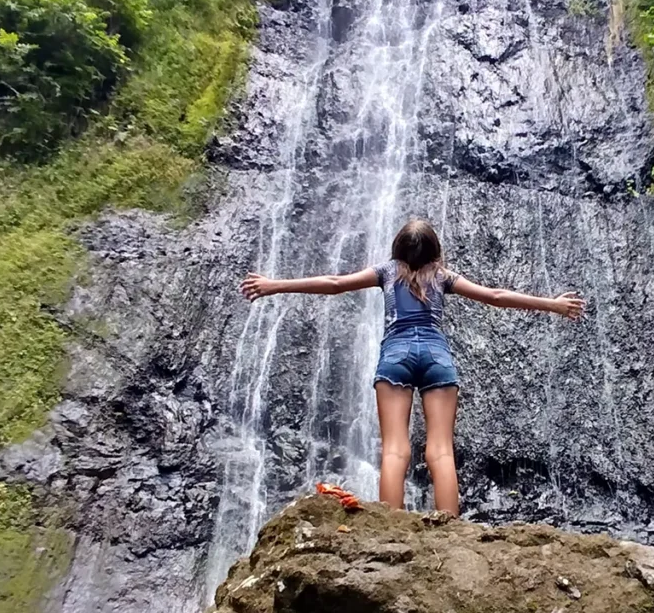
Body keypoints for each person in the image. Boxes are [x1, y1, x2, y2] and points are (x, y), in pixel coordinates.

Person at [239, 219, 585, 516]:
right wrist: (553, 305)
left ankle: (390, 526)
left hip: (396, 356)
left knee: (394, 449)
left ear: (397, 250)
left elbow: (335, 283)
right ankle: (449, 529)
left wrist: (273, 285)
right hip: (437, 357)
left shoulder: (385, 272)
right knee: (441, 449)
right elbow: (494, 295)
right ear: (435, 252)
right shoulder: (443, 276)